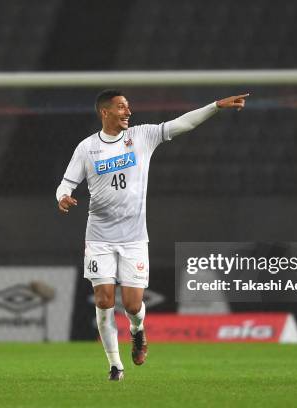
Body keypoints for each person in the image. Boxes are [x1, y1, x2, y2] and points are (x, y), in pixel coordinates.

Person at [56, 89, 249, 380]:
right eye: (121, 107)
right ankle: (114, 365)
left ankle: (137, 331)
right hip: (99, 237)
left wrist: (215, 106)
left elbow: (182, 124)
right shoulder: (87, 148)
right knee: (104, 300)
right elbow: (66, 183)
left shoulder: (142, 137)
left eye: (128, 107)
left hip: (134, 238)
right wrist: (63, 196)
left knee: (133, 305)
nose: (128, 111)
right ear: (104, 112)